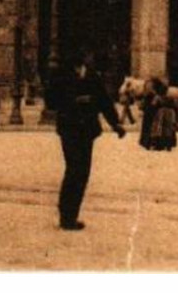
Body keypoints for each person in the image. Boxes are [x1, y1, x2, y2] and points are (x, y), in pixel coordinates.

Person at [46, 53, 125, 231]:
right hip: (70, 128)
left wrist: (115, 124)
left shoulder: (92, 75)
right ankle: (66, 216)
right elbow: (51, 100)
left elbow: (104, 100)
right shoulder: (61, 74)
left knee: (83, 173)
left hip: (87, 130)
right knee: (74, 169)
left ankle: (72, 215)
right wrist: (74, 100)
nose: (90, 58)